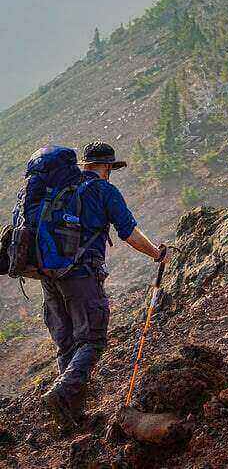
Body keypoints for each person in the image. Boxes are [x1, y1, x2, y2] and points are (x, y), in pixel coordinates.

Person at [40, 142, 171, 428]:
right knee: (93, 340)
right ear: (108, 167)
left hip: (48, 277)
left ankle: (71, 417)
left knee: (68, 344)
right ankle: (62, 392)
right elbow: (129, 232)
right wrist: (156, 254)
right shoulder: (104, 191)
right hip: (81, 276)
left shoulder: (58, 191)